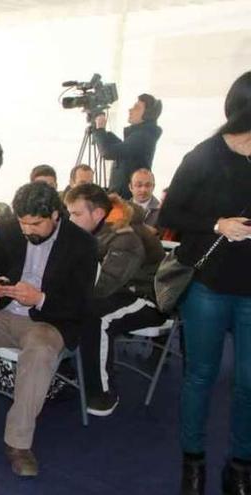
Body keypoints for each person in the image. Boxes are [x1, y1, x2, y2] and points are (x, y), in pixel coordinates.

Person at [0, 181, 97, 478]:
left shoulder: (82, 245)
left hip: (49, 322)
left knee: (39, 351)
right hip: (3, 313)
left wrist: (40, 299)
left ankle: (18, 443)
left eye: (35, 224)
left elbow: (81, 305)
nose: (27, 230)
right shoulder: (9, 229)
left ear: (55, 215)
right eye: (23, 223)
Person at [158, 71, 251, 495]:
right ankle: (192, 463)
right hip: (209, 286)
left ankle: (241, 468)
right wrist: (218, 224)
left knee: (249, 383)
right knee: (200, 377)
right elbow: (170, 214)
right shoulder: (205, 156)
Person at [64, 184, 165, 416]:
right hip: (120, 292)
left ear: (98, 214)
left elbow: (103, 286)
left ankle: (101, 394)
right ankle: (67, 369)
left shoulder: (125, 237)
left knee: (98, 318)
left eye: (76, 214)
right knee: (73, 306)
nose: (70, 219)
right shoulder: (94, 231)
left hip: (146, 297)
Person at [93, 94, 163, 199]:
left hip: (126, 202)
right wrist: (102, 132)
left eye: (136, 108)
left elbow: (107, 152)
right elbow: (122, 148)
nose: (130, 110)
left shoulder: (143, 136)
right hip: (124, 199)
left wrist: (100, 130)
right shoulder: (144, 134)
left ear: (147, 114)